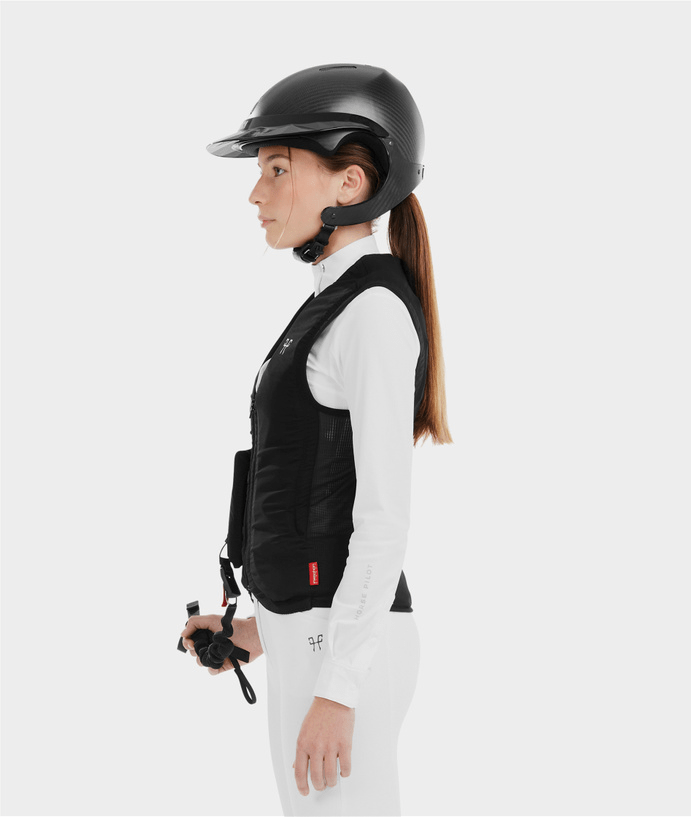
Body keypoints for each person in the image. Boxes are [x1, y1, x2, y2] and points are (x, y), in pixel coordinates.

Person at [180, 63, 453, 817]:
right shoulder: (331, 304)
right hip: (312, 637)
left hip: (343, 654)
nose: (255, 193)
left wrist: (339, 688)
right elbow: (315, 498)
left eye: (276, 169)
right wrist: (253, 632)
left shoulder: (371, 312)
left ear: (351, 183)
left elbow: (382, 518)